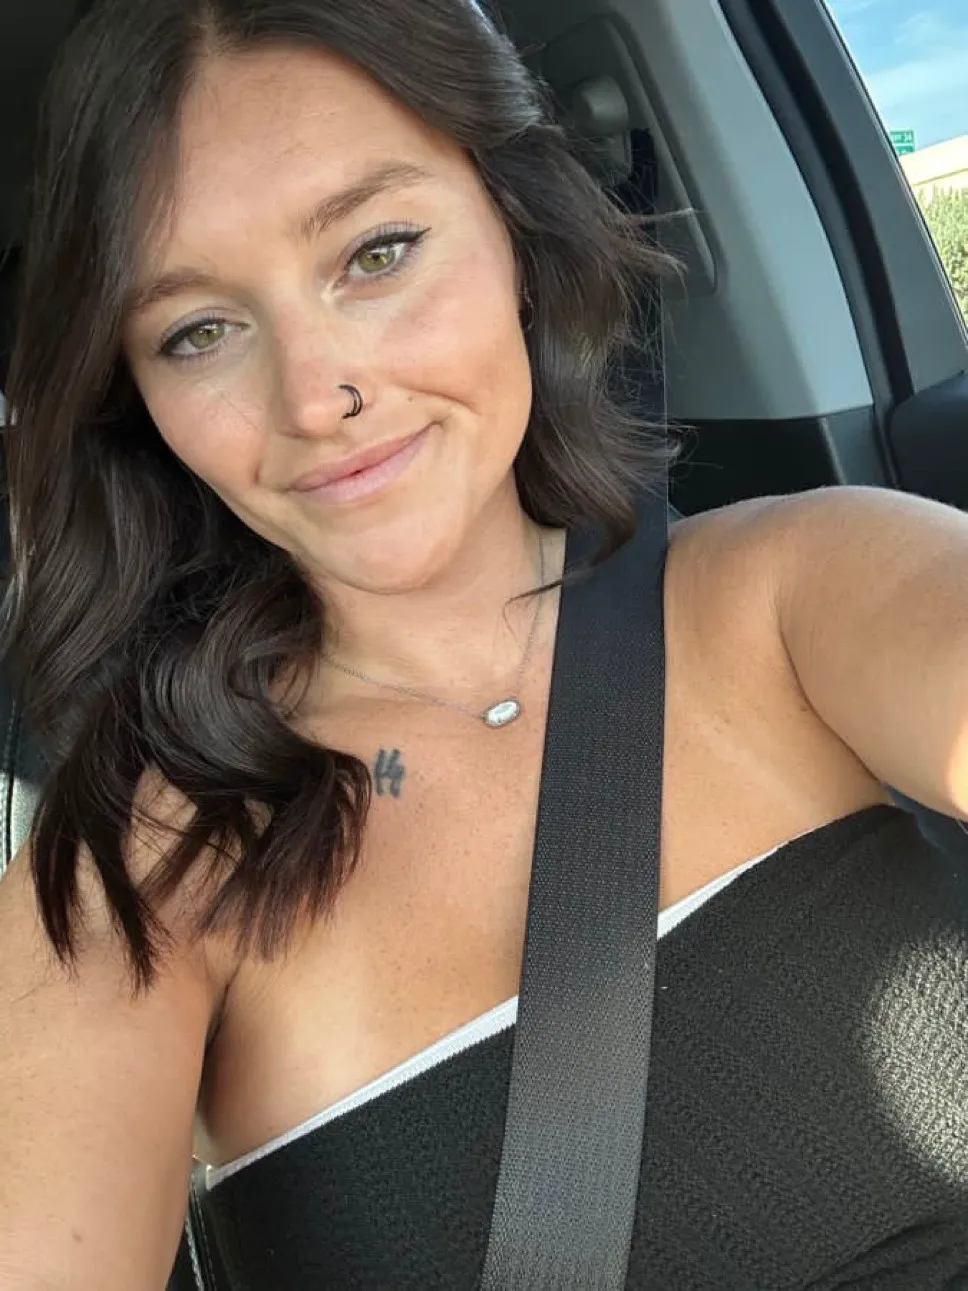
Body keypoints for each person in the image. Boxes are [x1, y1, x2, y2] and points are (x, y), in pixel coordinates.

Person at [0, 0, 966, 1287]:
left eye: (377, 251)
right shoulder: (145, 861)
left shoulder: (807, 586)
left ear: (514, 227)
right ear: (140, 400)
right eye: (199, 331)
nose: (315, 397)